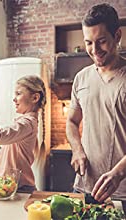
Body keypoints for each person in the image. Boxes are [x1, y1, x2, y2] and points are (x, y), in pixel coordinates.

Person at [66, 3, 126, 210]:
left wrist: (118, 173)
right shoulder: (81, 78)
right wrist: (76, 149)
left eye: (101, 41)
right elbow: (72, 122)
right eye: (89, 43)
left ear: (117, 36)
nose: (94, 50)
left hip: (123, 193)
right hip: (84, 186)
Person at [0, 75, 47, 193]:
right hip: (12, 188)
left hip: (20, 190)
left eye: (18, 93)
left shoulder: (27, 124)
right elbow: (18, 158)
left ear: (35, 98)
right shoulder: (25, 123)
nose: (14, 99)